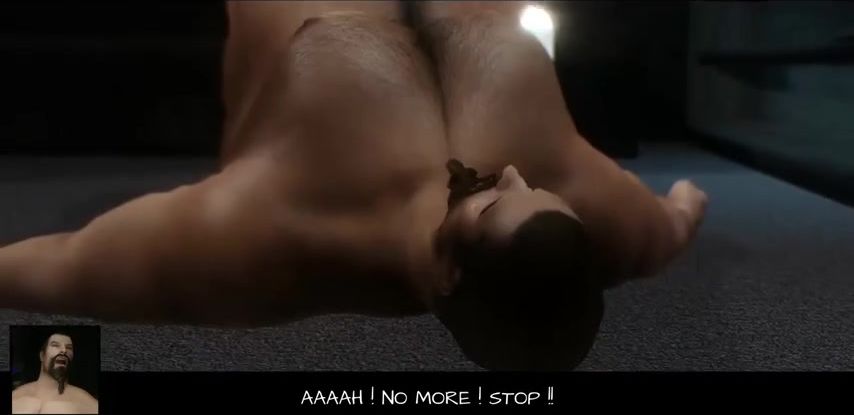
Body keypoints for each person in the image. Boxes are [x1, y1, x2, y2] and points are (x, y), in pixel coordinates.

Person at [0, 2, 707, 369]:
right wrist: (682, 205)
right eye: (542, 191)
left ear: (451, 272)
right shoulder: (585, 221)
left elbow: (63, 266)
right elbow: (673, 221)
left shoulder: (271, 235)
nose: (521, 174)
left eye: (497, 199)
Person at [11, 333, 99, 414]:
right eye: (55, 345)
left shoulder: (87, 403)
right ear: (42, 355)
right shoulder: (16, 396)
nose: (64, 350)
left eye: (69, 348)